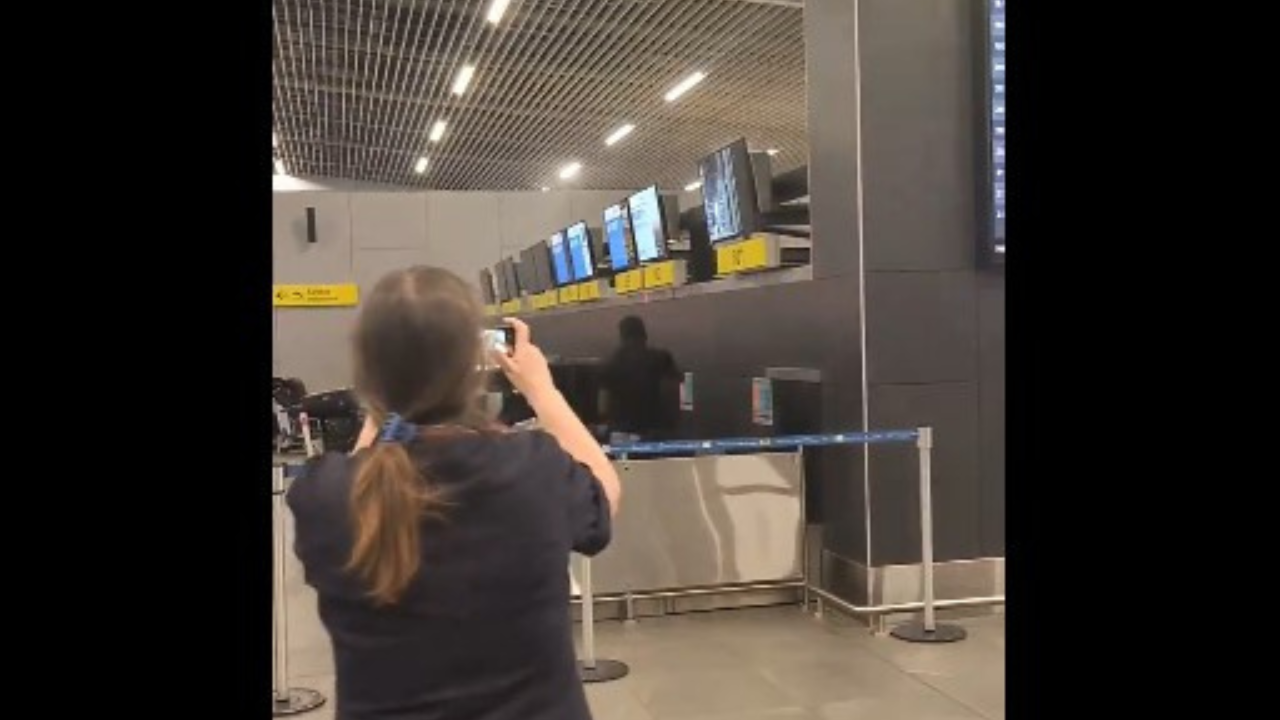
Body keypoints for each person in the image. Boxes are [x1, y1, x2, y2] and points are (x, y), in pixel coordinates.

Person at [287, 266, 621, 720]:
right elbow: (605, 490)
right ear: (472, 370)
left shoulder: (323, 495)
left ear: (366, 373)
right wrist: (543, 391)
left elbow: (362, 468)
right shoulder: (532, 469)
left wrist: (384, 401)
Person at [599, 316, 681, 441]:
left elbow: (603, 403)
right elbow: (682, 384)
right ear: (644, 335)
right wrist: (684, 413)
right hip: (655, 428)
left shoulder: (611, 363)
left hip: (622, 430)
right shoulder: (661, 358)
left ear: (622, 337)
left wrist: (606, 423)